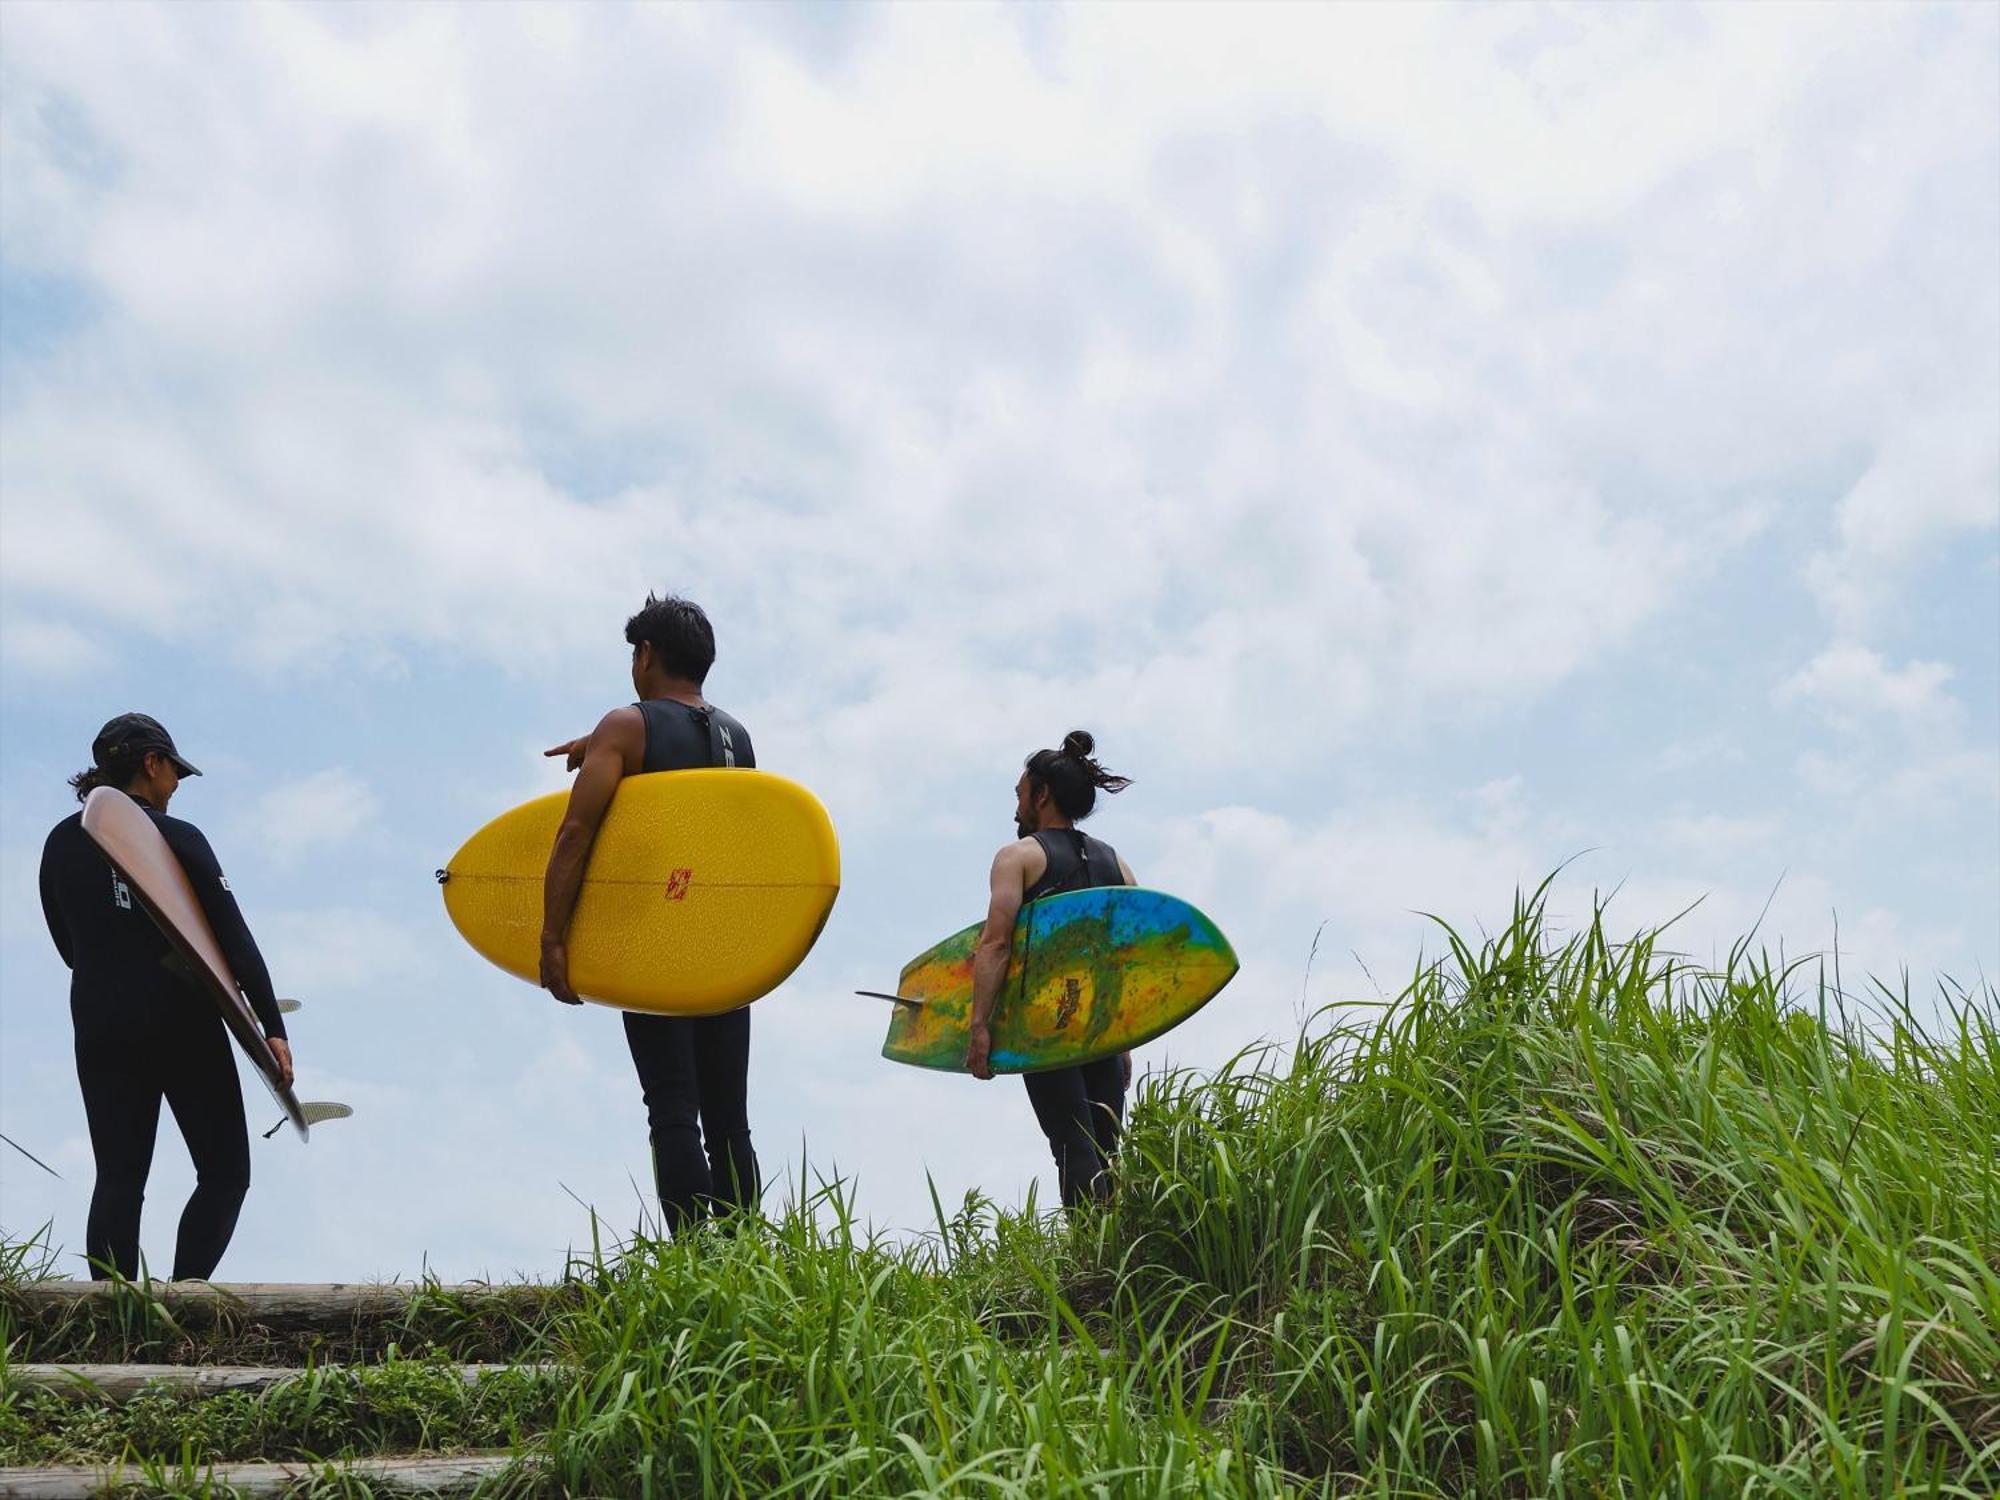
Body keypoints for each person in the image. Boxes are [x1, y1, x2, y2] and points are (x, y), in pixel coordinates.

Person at [38, 713, 293, 1281]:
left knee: (120, 1176)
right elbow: (232, 938)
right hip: (182, 1022)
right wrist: (272, 1026)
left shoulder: (60, 841)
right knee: (226, 1173)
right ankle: (186, 1297)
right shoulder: (177, 838)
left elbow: (66, 944)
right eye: (173, 771)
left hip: (100, 1020)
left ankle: (112, 1319)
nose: (176, 784)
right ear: (151, 764)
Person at [540, 593, 761, 1235]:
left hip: (655, 940)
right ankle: (744, 1254)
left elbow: (575, 834)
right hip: (722, 944)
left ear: (646, 655)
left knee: (672, 1107)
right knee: (729, 1115)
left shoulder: (627, 726)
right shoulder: (737, 737)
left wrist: (555, 939)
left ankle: (694, 1258)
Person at [964, 730, 1136, 1212]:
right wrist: (1124, 1040)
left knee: (1071, 1142)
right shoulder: (1115, 863)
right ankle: (1115, 1246)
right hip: (1100, 1026)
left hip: (1045, 1024)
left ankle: (1090, 1255)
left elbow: (995, 945)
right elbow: (1128, 957)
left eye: (1021, 794)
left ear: (1043, 795)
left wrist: (980, 1026)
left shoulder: (1017, 858)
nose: (1017, 807)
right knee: (1106, 1146)